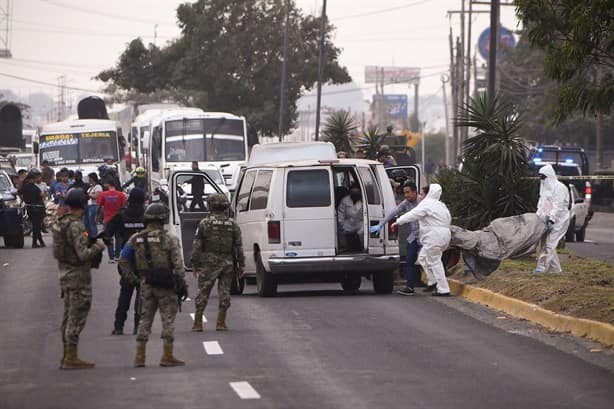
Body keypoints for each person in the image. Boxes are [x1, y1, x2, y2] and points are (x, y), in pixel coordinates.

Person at [118, 203, 188, 368]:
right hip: (166, 284)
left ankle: (140, 356)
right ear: (164, 218)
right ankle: (167, 355)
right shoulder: (169, 239)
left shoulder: (136, 238)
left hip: (146, 282)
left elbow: (123, 259)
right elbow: (178, 264)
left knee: (145, 319)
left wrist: (132, 278)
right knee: (168, 319)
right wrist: (181, 283)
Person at [52, 188, 106, 369]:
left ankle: (66, 354)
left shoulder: (61, 223)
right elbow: (83, 254)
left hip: (65, 275)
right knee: (76, 317)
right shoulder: (76, 225)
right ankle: (71, 358)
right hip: (78, 278)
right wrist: (98, 246)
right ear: (82, 204)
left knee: (68, 317)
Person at [191, 193, 245, 332]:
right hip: (227, 262)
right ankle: (221, 322)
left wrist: (195, 263)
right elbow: (238, 246)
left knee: (203, 292)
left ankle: (197, 323)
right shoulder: (232, 224)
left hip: (209, 262)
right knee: (224, 292)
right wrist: (241, 264)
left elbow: (197, 244)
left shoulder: (205, 223)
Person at [392, 183, 452, 296]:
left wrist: (398, 222)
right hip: (444, 235)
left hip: (434, 236)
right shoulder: (441, 205)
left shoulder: (426, 204)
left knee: (435, 261)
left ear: (428, 194)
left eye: (422, 193)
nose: (420, 195)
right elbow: (448, 218)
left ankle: (443, 289)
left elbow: (413, 214)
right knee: (422, 257)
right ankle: (433, 281)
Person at [105, 188, 146, 335]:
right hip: (145, 262)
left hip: (126, 260)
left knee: (125, 294)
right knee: (142, 295)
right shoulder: (147, 215)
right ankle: (138, 327)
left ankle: (118, 326)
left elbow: (107, 233)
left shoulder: (121, 215)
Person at [370, 181, 421, 295]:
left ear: (415, 192)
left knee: (429, 261)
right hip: (414, 237)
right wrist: (381, 224)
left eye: (408, 192)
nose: (406, 195)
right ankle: (410, 287)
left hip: (426, 236)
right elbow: (393, 213)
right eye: (404, 193)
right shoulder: (406, 203)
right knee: (409, 261)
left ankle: (434, 285)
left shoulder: (423, 202)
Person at [534, 164, 570, 274]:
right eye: (540, 177)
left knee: (549, 244)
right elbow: (541, 205)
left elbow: (557, 206)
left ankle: (542, 268)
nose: (542, 179)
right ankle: (555, 270)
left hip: (559, 221)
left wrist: (552, 219)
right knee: (546, 244)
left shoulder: (559, 188)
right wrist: (538, 217)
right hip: (546, 221)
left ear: (549, 176)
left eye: (543, 177)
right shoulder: (544, 189)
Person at [97, 178, 127, 262]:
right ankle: (117, 255)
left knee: (108, 238)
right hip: (119, 219)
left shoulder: (103, 194)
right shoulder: (121, 195)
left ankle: (111, 257)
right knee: (119, 237)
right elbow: (124, 206)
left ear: (108, 184)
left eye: (105, 184)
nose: (104, 185)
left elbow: (99, 206)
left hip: (108, 219)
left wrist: (97, 217)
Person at [21, 169, 46, 248]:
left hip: (30, 208)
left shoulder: (24, 187)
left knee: (36, 226)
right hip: (37, 209)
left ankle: (40, 242)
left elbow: (19, 194)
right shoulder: (33, 188)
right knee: (36, 226)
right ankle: (35, 243)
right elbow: (40, 196)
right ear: (31, 179)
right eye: (34, 178)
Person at [337, 183, 364, 251]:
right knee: (340, 231)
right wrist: (341, 224)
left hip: (360, 223)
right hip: (348, 222)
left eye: (356, 192)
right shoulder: (345, 200)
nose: (355, 194)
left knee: (362, 232)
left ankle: (363, 247)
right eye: (353, 192)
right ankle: (345, 247)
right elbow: (341, 213)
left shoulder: (364, 200)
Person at [84, 173, 102, 238]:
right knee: (86, 223)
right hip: (88, 206)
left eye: (89, 178)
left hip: (93, 206)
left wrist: (88, 195)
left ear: (92, 178)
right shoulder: (91, 187)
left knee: (92, 223)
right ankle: (87, 236)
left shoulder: (98, 187)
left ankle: (94, 237)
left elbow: (97, 196)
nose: (88, 179)